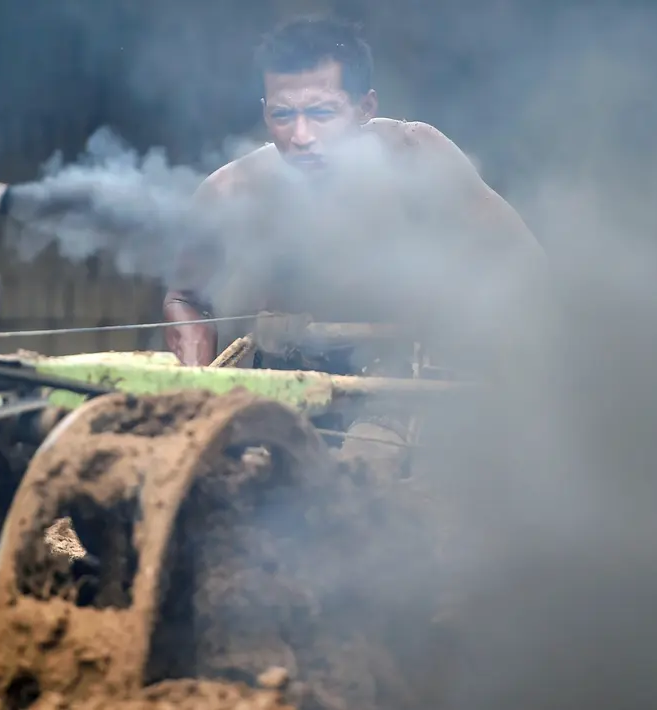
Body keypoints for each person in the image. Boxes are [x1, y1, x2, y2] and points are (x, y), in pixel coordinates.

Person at [162, 16, 547, 466]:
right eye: (283, 115)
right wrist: (196, 381)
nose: (301, 136)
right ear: (265, 110)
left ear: (364, 108)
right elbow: (184, 297)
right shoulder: (232, 190)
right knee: (248, 489)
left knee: (363, 476)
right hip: (283, 389)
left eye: (322, 113)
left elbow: (522, 263)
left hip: (399, 384)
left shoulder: (415, 156)